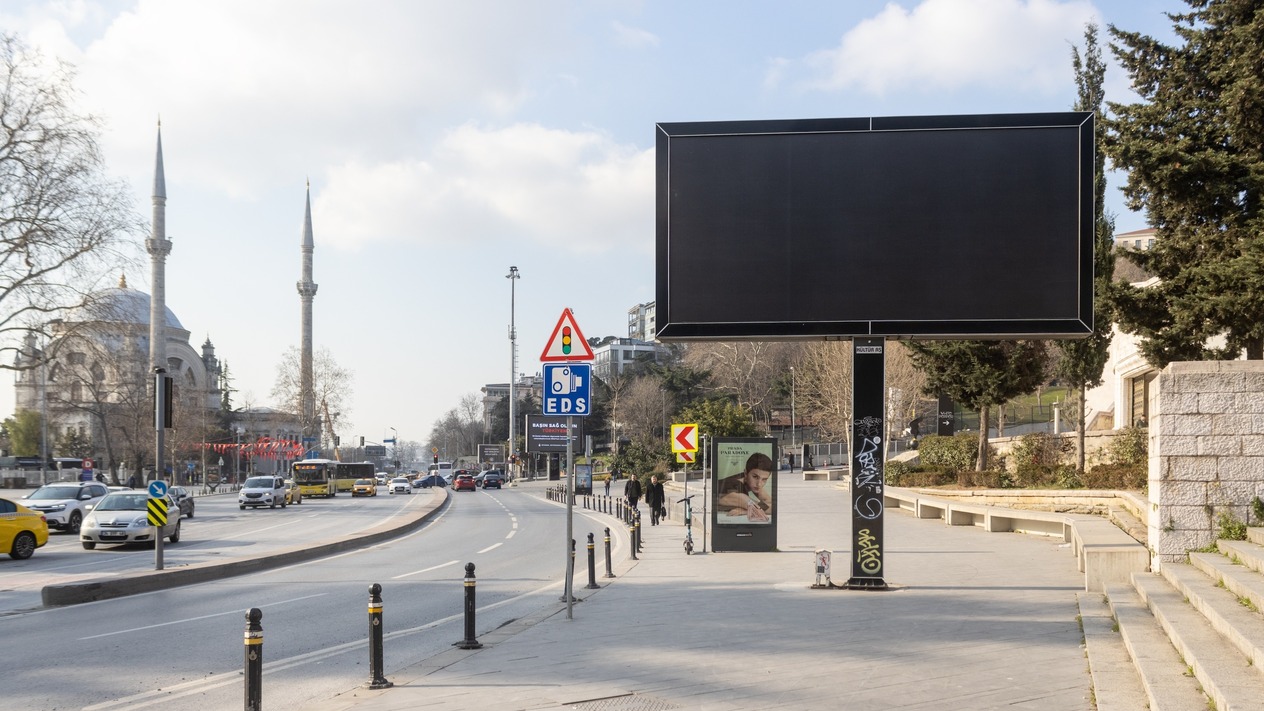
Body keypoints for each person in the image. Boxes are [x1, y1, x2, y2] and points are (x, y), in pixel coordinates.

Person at [717, 452, 774, 522]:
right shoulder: (734, 485)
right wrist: (750, 509)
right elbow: (770, 508)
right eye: (755, 477)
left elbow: (770, 503)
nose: (759, 484)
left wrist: (745, 510)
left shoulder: (750, 481)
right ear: (746, 473)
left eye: (764, 479)